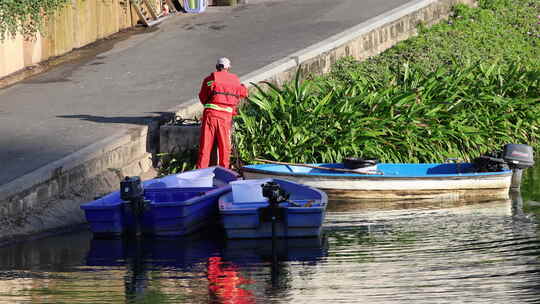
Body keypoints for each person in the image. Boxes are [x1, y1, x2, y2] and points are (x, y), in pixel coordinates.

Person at [197, 57, 248, 169]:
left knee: (205, 146)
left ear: (217, 67)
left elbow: (202, 97)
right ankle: (224, 172)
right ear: (228, 68)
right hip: (225, 118)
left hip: (210, 116)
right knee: (224, 147)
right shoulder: (235, 81)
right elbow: (244, 93)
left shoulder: (210, 79)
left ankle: (200, 173)